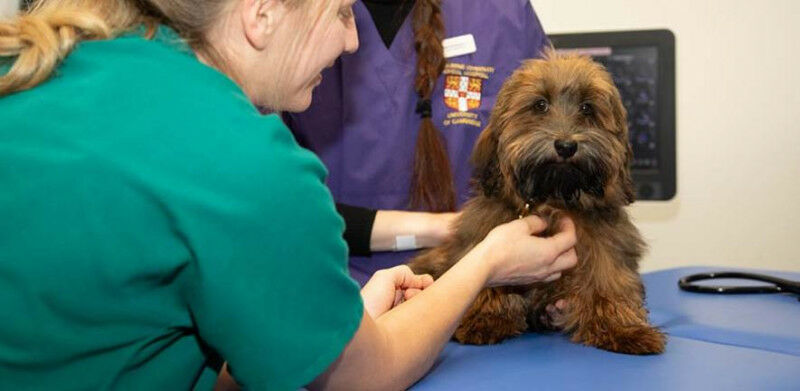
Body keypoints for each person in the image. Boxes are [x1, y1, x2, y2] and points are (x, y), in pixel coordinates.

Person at [0, 0, 577, 390]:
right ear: (263, 14)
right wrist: (486, 261)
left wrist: (330, 327)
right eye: (339, 13)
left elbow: (120, 345)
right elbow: (368, 376)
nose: (354, 41)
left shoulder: (59, 71)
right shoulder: (243, 159)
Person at [284, 0, 550, 285]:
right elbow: (273, 198)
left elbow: (558, 165)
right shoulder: (298, 14)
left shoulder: (503, 15)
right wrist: (448, 229)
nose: (350, 40)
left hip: (486, 285)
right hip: (330, 282)